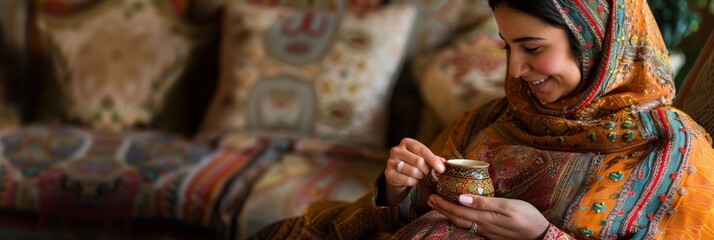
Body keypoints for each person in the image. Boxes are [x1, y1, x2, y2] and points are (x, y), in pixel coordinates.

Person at [249, 0, 714, 239]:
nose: (514, 70)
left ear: (597, 41)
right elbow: (411, 208)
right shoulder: (493, 118)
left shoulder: (673, 153)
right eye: (507, 48)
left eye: (532, 49)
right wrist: (399, 188)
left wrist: (540, 235)